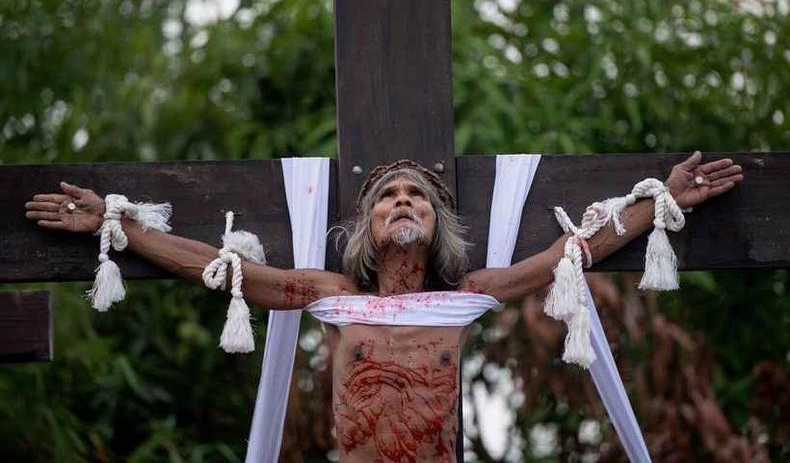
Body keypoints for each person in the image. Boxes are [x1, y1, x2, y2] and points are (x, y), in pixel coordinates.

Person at [24, 152, 743, 461]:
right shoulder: (334, 296)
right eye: (390, 197)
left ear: (436, 225)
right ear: (369, 228)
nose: (404, 201)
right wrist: (118, 228)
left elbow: (572, 253)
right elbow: (224, 273)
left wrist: (660, 205)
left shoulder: (466, 297)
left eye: (418, 197)